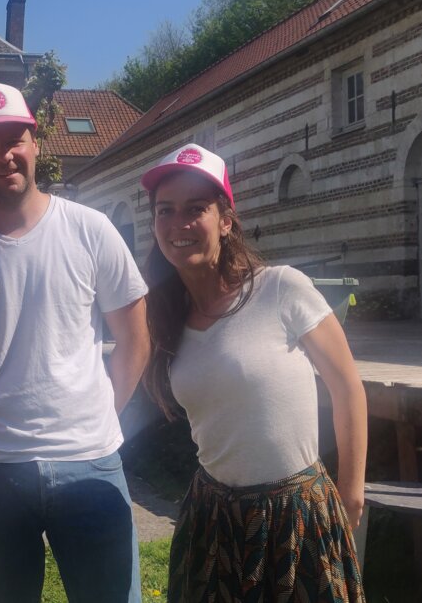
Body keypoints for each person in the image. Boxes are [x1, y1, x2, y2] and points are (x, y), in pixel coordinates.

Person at [0, 82, 150, 603]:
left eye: (14, 140)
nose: (3, 156)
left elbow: (135, 338)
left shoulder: (92, 231)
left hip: (90, 460)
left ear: (35, 141)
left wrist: (105, 411)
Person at [139, 143, 367, 602]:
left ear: (226, 221)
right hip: (213, 517)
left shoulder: (281, 288)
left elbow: (347, 387)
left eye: (195, 209)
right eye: (166, 211)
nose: (178, 224)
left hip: (298, 513)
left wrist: (352, 491)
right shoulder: (162, 317)